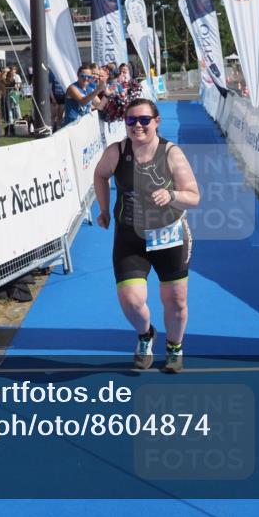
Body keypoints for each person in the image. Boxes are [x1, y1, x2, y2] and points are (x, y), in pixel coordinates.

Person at [93, 98, 201, 373]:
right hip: (130, 238)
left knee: (175, 301)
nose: (137, 126)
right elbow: (100, 175)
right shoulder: (116, 151)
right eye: (131, 121)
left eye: (144, 120)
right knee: (130, 300)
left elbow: (194, 196)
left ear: (156, 122)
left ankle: (175, 347)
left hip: (169, 235)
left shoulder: (171, 153)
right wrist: (104, 209)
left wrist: (173, 194)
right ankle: (145, 334)